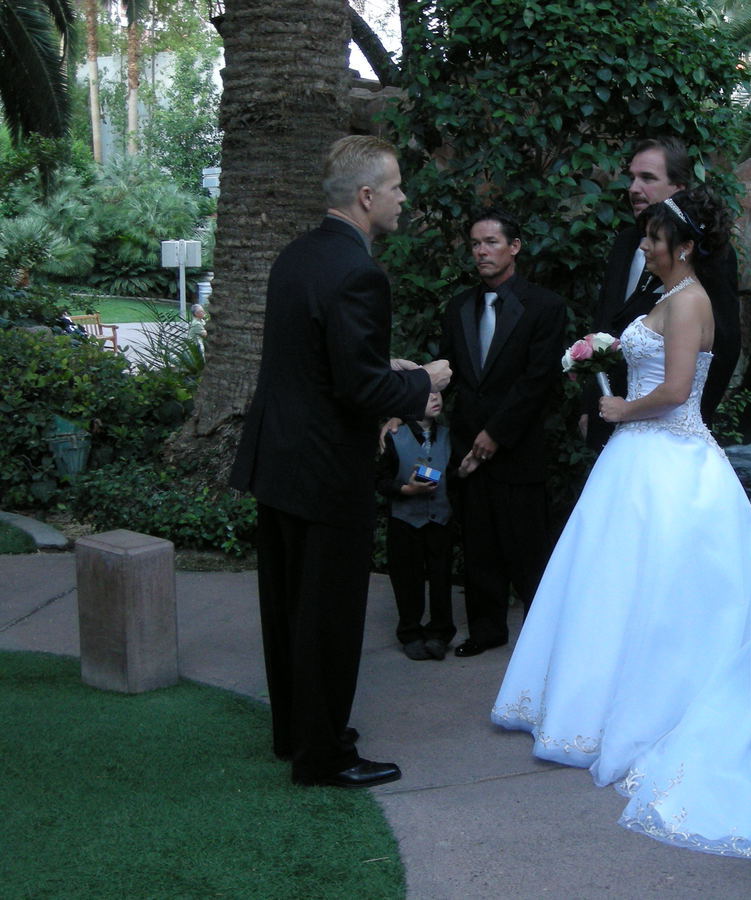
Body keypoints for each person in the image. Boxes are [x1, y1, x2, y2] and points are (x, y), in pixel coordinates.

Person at [492, 187, 751, 859]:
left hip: (669, 458)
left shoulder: (692, 301)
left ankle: (643, 710)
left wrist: (619, 410)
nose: (644, 245)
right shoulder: (668, 298)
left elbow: (674, 392)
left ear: (685, 246)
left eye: (654, 237)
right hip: (638, 462)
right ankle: (587, 706)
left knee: (655, 591)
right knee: (612, 584)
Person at [230, 135, 451, 789]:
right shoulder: (360, 272)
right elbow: (358, 389)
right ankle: (323, 757)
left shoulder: (295, 256)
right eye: (396, 187)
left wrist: (387, 368)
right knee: (327, 618)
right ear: (366, 195)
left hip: (280, 465)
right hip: (326, 474)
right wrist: (424, 380)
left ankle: (297, 737)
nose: (403, 198)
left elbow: (316, 361)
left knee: (288, 611)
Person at [439, 209, 567, 658]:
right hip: (467, 449)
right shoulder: (458, 307)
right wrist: (408, 408)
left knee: (528, 549)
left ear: (514, 247)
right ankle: (486, 630)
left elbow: (538, 380)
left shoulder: (545, 306)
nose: (481, 251)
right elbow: (450, 372)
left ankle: (541, 640)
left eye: (491, 242)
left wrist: (496, 433)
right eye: (475, 243)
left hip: (518, 447)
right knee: (478, 547)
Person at [581, 137, 740, 451]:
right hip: (609, 414)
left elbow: (724, 345)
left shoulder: (710, 260)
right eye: (632, 178)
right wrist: (591, 405)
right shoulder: (625, 243)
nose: (634, 188)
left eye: (648, 178)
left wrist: (689, 425)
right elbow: (605, 326)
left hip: (668, 433)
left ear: (678, 188)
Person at [376, 390, 455, 662]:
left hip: (440, 518)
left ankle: (440, 633)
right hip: (405, 520)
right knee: (407, 578)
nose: (435, 398)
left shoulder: (448, 435)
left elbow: (453, 475)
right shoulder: (395, 436)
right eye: (427, 393)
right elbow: (381, 480)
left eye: (438, 393)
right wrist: (405, 489)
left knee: (441, 577)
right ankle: (410, 633)